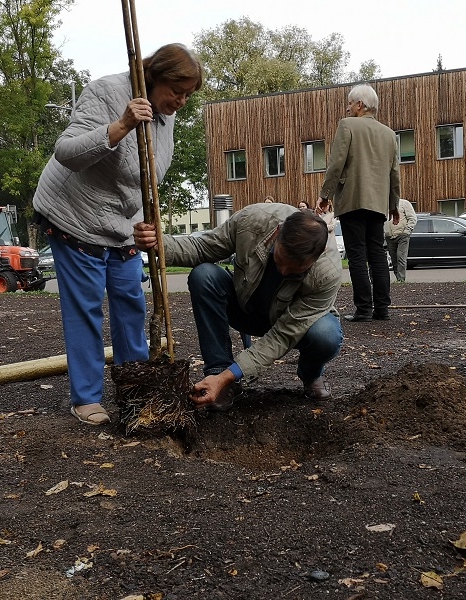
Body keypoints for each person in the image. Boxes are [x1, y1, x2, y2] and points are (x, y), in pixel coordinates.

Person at [32, 43, 203, 425]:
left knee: (131, 304)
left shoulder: (165, 115)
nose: (182, 100)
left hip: (121, 223)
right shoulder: (107, 92)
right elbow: (67, 152)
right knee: (87, 307)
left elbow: (147, 177)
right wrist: (121, 125)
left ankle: (136, 392)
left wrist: (147, 222)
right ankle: (87, 397)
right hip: (74, 214)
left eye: (189, 94)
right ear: (156, 76)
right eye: (178, 90)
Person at [134, 203, 344, 411]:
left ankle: (311, 374)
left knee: (326, 334)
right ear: (278, 232)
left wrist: (228, 376)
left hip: (289, 324)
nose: (283, 271)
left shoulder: (327, 272)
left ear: (317, 256)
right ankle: (218, 371)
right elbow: (202, 248)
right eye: (280, 260)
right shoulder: (252, 222)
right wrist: (159, 243)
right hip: (245, 308)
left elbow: (282, 335)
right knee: (204, 275)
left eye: (295, 270)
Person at [318, 84, 400, 322]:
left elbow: (336, 164)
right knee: (377, 253)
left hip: (353, 200)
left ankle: (363, 308)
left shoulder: (347, 125)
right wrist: (393, 204)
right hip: (378, 203)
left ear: (360, 105)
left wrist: (325, 196)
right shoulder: (388, 133)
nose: (348, 107)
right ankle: (382, 308)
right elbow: (394, 173)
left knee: (356, 254)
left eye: (350, 103)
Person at [384, 198, 417, 282]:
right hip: (389, 236)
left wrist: (406, 231)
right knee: (394, 259)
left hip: (402, 236)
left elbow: (412, 218)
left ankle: (401, 279)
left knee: (401, 257)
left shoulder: (404, 203)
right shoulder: (384, 204)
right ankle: (398, 278)